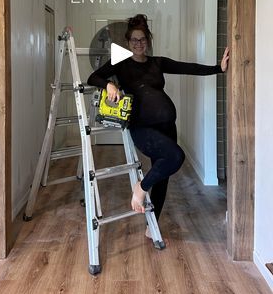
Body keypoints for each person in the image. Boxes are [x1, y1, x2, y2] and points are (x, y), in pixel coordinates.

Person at [87, 14, 229, 236]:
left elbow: (188, 67)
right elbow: (92, 77)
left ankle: (151, 226)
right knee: (176, 157)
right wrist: (108, 86)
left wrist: (217, 68)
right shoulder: (121, 64)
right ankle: (140, 188)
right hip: (143, 128)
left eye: (142, 39)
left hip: (167, 127)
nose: (138, 44)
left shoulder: (157, 63)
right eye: (134, 40)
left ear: (148, 40)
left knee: (163, 177)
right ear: (128, 42)